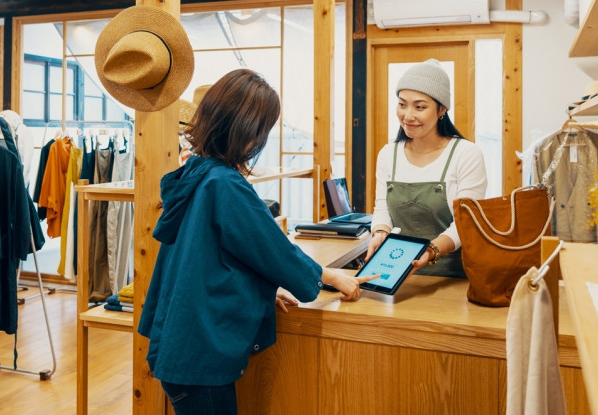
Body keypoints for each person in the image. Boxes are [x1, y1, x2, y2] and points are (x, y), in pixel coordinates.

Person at [138, 69, 378, 415]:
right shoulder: (225, 184)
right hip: (200, 353)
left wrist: (266, 287)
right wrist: (336, 276)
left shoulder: (197, 173)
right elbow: (276, 253)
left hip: (183, 341)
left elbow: (218, 256)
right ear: (248, 132)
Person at [365, 58, 488, 278]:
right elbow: (382, 207)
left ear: (441, 109)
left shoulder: (465, 154)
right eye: (402, 104)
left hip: (454, 278)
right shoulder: (388, 154)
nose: (408, 115)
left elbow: (466, 224)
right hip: (396, 273)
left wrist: (431, 251)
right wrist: (380, 233)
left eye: (420, 107)